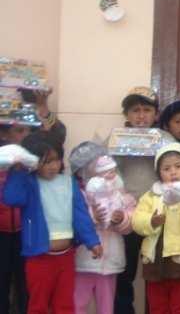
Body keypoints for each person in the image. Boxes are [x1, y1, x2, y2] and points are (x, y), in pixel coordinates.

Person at [3, 133, 103, 314]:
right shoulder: (30, 183)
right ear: (33, 162)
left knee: (64, 304)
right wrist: (18, 170)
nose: (52, 166)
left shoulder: (68, 182)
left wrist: (92, 241)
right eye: (46, 162)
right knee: (38, 305)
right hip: (39, 258)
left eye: (56, 160)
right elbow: (12, 198)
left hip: (66, 257)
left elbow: (80, 215)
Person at [0, 88, 65, 314]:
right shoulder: (4, 158)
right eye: (19, 131)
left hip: (27, 232)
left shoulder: (36, 160)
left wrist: (42, 106)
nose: (25, 135)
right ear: (5, 134)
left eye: (29, 129)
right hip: (1, 232)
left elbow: (58, 135)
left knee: (26, 287)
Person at [132, 143, 180, 314]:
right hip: (154, 261)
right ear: (159, 173)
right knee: (157, 307)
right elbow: (136, 221)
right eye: (166, 168)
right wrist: (151, 221)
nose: (173, 172)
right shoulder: (151, 195)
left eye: (178, 166)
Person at [69, 143, 136, 314]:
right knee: (78, 304)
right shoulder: (78, 195)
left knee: (107, 306)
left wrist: (121, 219)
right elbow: (71, 220)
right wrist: (92, 218)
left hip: (111, 261)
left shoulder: (120, 194)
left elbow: (130, 223)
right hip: (83, 260)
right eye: (92, 168)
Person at [114, 86, 161, 314]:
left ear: (156, 114)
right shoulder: (115, 139)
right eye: (135, 110)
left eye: (147, 110)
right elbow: (106, 173)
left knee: (157, 276)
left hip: (157, 218)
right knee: (124, 274)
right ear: (126, 115)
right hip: (128, 219)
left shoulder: (166, 139)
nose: (141, 116)